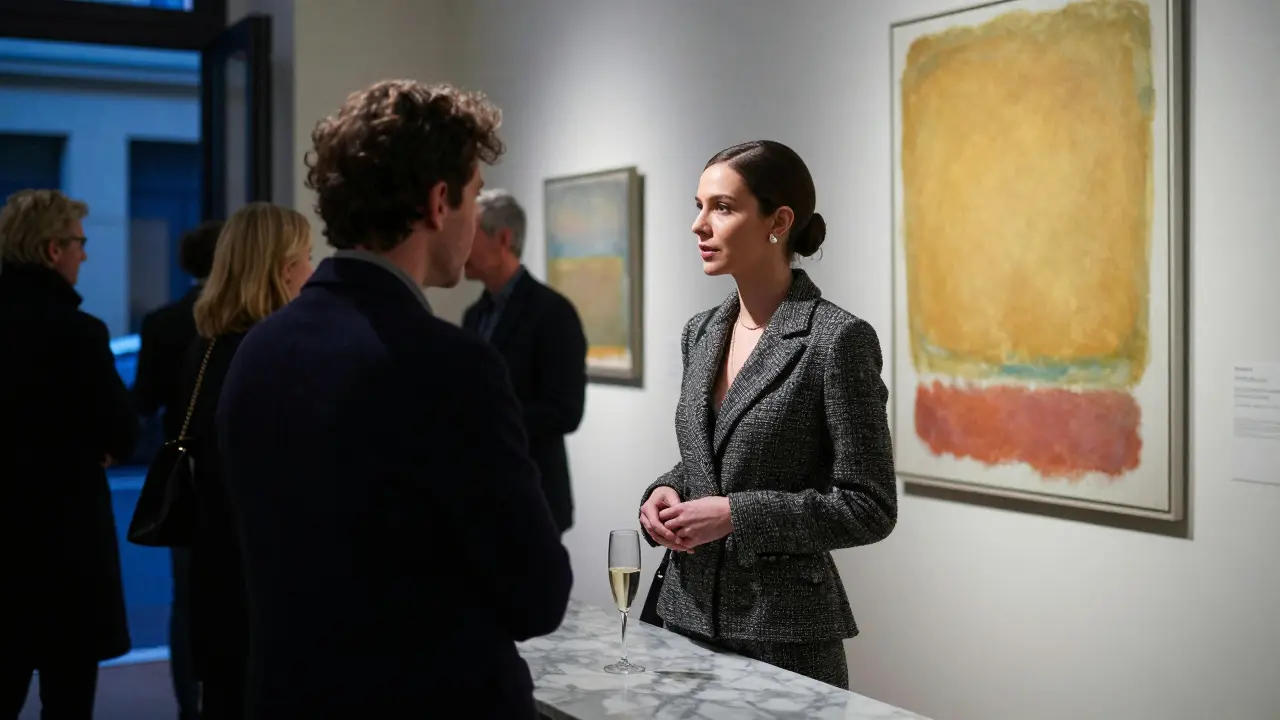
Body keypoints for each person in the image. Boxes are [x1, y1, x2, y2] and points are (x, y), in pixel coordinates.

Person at [216, 80, 573, 719]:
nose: (472, 219)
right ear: (439, 202)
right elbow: (537, 595)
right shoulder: (448, 364)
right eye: (470, 198)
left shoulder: (259, 348)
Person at [636, 140, 898, 689]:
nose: (698, 225)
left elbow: (869, 506)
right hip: (683, 622)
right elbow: (712, 459)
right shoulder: (701, 331)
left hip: (783, 639)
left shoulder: (837, 340)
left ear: (778, 221)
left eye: (722, 208)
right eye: (699, 205)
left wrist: (737, 514)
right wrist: (667, 490)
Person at [0, 190, 138, 718]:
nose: (85, 255)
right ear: (53, 248)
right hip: (65, 543)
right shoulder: (78, 333)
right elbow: (121, 433)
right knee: (68, 696)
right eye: (79, 243)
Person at [178, 204, 312, 719]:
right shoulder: (275, 356)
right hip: (265, 586)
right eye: (305, 258)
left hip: (216, 572)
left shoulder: (208, 346)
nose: (313, 271)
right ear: (280, 270)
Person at [132, 218, 223, 720]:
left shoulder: (164, 322)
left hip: (183, 477)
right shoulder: (244, 318)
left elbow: (143, 402)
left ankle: (189, 704)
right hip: (231, 473)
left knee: (185, 601)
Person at [462, 189, 587, 534]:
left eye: (470, 235)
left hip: (533, 494)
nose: (461, 245)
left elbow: (565, 410)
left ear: (502, 238)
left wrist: (487, 421)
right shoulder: (474, 315)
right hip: (482, 495)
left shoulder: (552, 313)